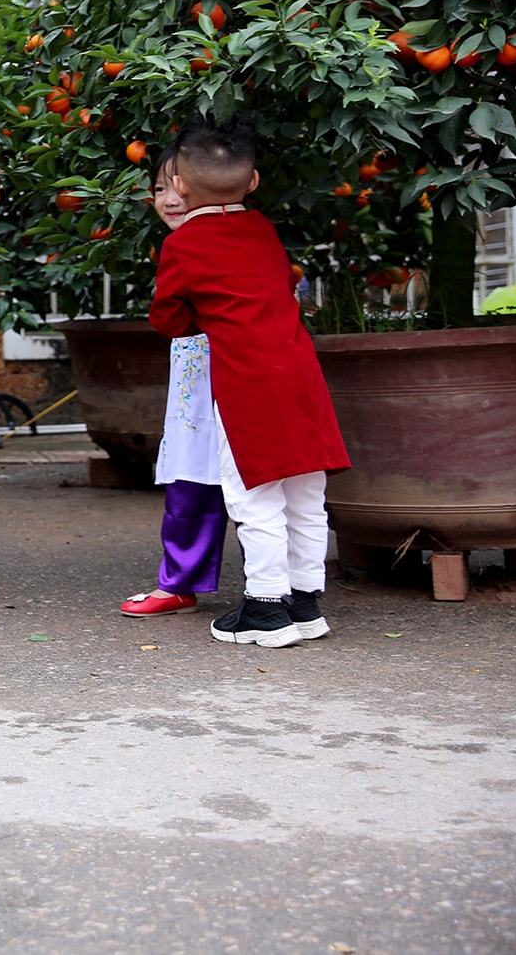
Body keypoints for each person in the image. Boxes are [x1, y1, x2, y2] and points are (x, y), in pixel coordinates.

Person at [149, 113, 350, 647]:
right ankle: (306, 603)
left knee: (255, 497)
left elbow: (167, 318)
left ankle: (265, 609)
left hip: (247, 385)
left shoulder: (184, 244)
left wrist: (201, 317)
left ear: (180, 186)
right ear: (253, 181)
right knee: (308, 492)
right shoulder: (263, 229)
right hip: (301, 376)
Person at [121, 147, 229, 618]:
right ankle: (180, 580)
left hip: (237, 372)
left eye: (181, 186)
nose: (171, 198)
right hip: (196, 372)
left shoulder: (226, 240)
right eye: (161, 188)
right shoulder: (179, 246)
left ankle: (279, 585)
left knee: (243, 482)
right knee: (190, 477)